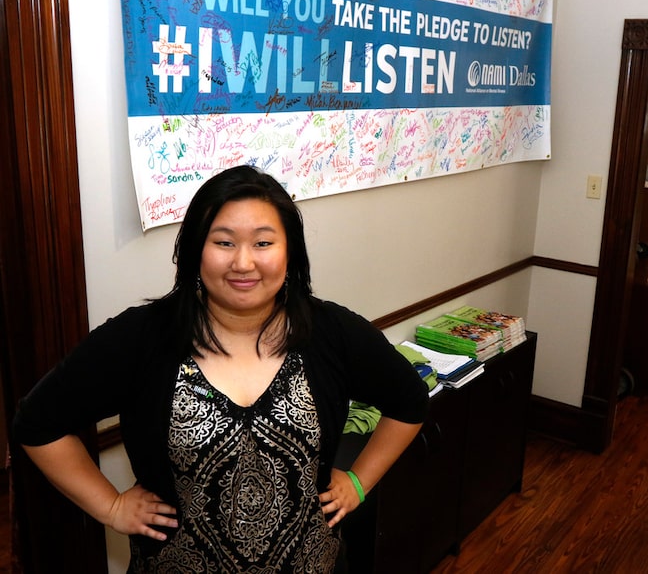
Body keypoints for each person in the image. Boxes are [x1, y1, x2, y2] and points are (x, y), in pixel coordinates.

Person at [13, 165, 428, 572]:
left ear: (290, 252)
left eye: (263, 243)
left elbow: (409, 399)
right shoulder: (143, 337)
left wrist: (358, 483)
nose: (243, 263)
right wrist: (112, 506)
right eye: (224, 242)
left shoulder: (331, 332)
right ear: (195, 250)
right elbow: (37, 423)